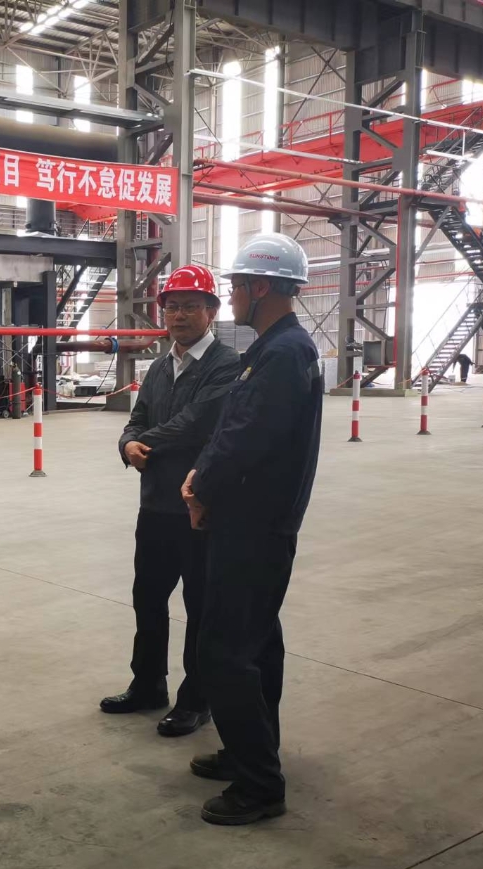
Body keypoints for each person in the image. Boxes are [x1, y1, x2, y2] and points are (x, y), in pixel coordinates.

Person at [180, 234, 323, 826]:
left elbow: (245, 437)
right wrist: (204, 475)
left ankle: (260, 785)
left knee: (225, 651)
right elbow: (237, 427)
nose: (232, 296)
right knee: (258, 645)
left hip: (252, 526)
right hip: (259, 521)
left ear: (261, 287)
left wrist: (201, 489)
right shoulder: (277, 349)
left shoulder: (282, 354)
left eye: (237, 286)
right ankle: (250, 751)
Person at [102, 265, 241, 738]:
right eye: (172, 306)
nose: (179, 315)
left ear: (212, 311)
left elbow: (196, 422)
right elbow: (137, 417)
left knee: (200, 607)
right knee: (147, 599)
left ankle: (197, 700)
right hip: (156, 506)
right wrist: (127, 443)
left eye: (190, 306)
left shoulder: (226, 365)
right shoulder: (161, 366)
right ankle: (147, 685)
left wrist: (145, 444)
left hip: (200, 508)